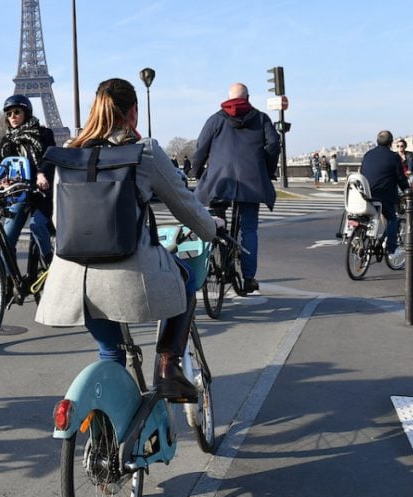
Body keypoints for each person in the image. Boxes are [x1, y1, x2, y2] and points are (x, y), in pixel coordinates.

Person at [35, 78, 221, 401]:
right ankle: (168, 365)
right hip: (127, 275)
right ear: (133, 112)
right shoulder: (144, 152)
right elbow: (186, 206)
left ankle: (109, 421)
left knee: (110, 351)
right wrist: (213, 229)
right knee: (188, 278)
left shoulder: (69, 154)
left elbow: (56, 220)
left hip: (71, 282)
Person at [192, 82, 280, 295]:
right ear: (248, 98)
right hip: (251, 181)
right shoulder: (261, 118)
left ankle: (221, 262)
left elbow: (201, 148)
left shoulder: (216, 119)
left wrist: (197, 172)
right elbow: (273, 144)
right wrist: (266, 170)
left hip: (220, 181)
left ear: (228, 98)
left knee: (216, 224)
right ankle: (249, 278)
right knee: (248, 229)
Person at [0, 95, 56, 267]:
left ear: (26, 113)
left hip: (40, 192)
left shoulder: (44, 134)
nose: (12, 116)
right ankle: (9, 281)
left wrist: (41, 174)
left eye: (17, 112)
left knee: (37, 226)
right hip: (18, 194)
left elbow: (50, 158)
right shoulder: (8, 140)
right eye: (9, 114)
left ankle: (50, 264)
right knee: (6, 241)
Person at [360, 131, 410, 264]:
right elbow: (400, 177)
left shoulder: (367, 155)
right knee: (392, 219)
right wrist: (407, 189)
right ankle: (391, 250)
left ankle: (361, 238)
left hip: (365, 195)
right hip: (383, 196)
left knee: (368, 218)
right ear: (391, 143)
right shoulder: (393, 157)